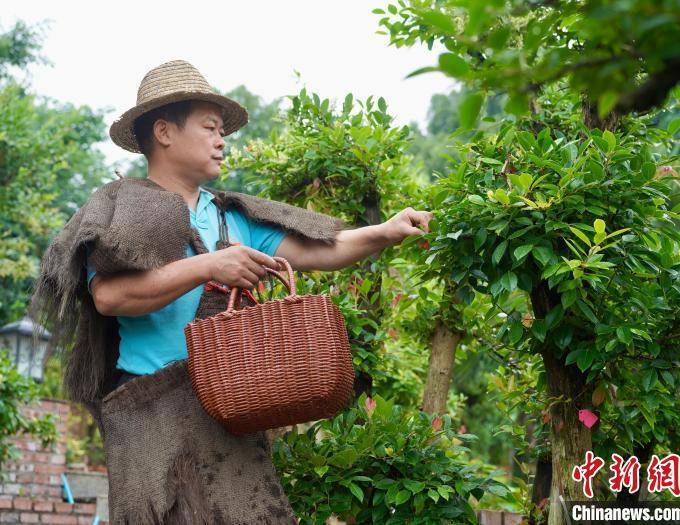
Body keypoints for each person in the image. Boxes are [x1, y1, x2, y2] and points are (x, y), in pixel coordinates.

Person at [31, 59, 432, 524]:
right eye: (210, 128)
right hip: (147, 414)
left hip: (228, 409)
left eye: (223, 131)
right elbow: (110, 298)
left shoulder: (232, 218)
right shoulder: (121, 211)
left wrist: (385, 230)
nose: (222, 142)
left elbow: (323, 249)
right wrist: (209, 265)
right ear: (164, 132)